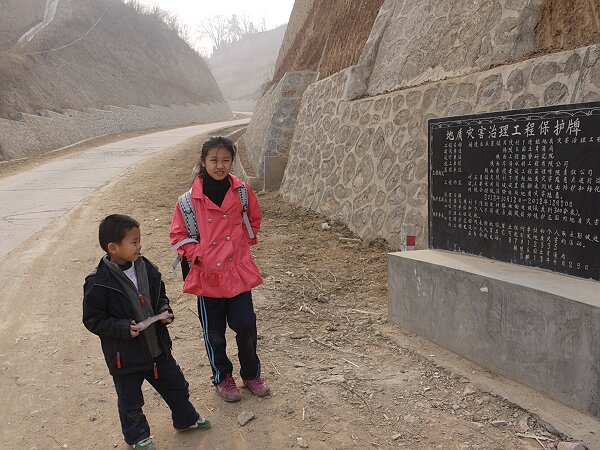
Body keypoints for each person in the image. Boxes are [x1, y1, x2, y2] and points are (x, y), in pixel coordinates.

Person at [83, 214, 210, 450]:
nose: (139, 246)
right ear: (113, 247)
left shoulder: (146, 267)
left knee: (176, 385)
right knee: (131, 400)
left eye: (139, 240)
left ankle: (186, 419)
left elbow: (160, 294)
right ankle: (137, 436)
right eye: (134, 241)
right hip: (125, 357)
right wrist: (122, 328)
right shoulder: (98, 282)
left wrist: (164, 310)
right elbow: (93, 319)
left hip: (157, 347)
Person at [170, 136, 270, 402]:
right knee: (214, 332)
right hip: (207, 276)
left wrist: (241, 244)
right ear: (203, 162)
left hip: (237, 271)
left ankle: (251, 374)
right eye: (214, 160)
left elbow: (254, 218)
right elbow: (178, 235)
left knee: (246, 324)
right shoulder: (188, 201)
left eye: (226, 160)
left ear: (232, 162)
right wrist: (199, 254)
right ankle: (222, 377)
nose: (220, 165)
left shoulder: (241, 191)